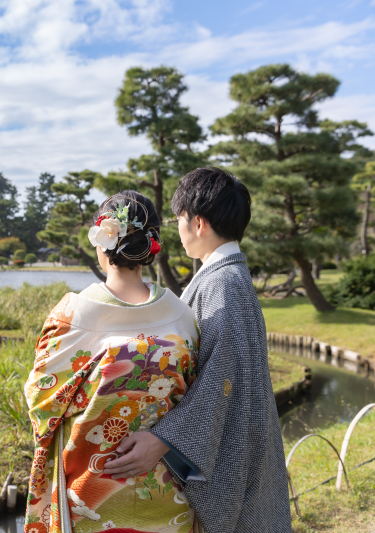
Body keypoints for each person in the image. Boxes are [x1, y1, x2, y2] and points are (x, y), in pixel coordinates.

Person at [101, 167, 291, 531]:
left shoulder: (224, 284)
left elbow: (222, 377)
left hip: (236, 453)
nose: (178, 228)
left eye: (179, 219)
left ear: (199, 223)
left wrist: (163, 439)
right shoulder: (229, 276)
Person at [24, 191, 203, 533]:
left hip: (92, 495)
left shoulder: (72, 315)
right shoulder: (182, 316)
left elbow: (41, 399)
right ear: (152, 246)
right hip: (167, 491)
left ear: (101, 244)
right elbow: (195, 400)